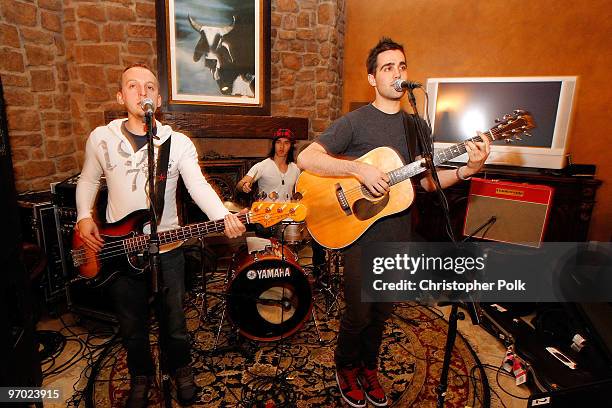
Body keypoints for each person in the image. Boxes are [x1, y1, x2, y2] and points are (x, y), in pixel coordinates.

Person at [296, 37, 490, 407]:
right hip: (358, 232)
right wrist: (358, 168)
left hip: (398, 231)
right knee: (358, 312)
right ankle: (345, 366)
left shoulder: (417, 126)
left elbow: (428, 181)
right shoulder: (354, 122)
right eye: (387, 67)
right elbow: (308, 158)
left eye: (401, 66)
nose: (397, 73)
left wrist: (467, 169)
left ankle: (368, 366)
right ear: (372, 78)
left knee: (384, 309)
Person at [75, 63, 246, 408]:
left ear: (159, 97)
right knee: (131, 323)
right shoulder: (101, 138)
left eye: (149, 87)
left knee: (175, 321)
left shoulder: (176, 143)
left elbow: (197, 184)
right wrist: (82, 216)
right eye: (134, 86)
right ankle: (140, 375)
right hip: (119, 247)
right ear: (121, 96)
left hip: (168, 247)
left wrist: (222, 216)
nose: (142, 92)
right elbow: (89, 180)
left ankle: (180, 369)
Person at [236, 128, 300, 203]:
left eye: (286, 143)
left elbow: (296, 193)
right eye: (278, 142)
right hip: (266, 212)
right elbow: (239, 185)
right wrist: (244, 185)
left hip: (287, 212)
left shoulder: (296, 169)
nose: (282, 146)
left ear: (291, 146)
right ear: (274, 145)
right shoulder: (262, 166)